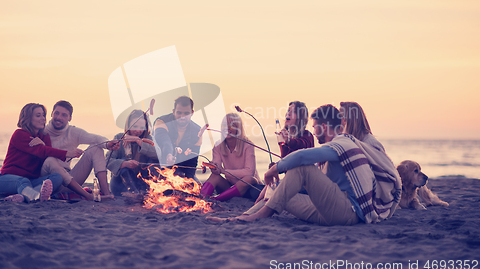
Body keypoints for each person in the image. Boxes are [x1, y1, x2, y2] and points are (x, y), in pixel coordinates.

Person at [209, 104, 400, 225]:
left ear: (324, 127)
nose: (313, 131)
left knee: (302, 167)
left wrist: (275, 168)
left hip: (348, 212)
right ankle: (241, 218)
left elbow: (302, 157)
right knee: (275, 189)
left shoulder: (342, 144)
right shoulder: (334, 148)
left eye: (315, 126)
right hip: (328, 211)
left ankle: (258, 216)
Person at [0, 103, 82, 202]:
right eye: (38, 115)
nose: (43, 118)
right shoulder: (19, 134)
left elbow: (46, 156)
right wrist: (67, 153)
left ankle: (24, 196)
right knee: (22, 181)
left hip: (30, 181)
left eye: (43, 115)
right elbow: (41, 151)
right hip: (6, 180)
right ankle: (35, 196)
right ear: (28, 118)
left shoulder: (44, 137)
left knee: (57, 177)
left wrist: (43, 144)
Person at [40, 100, 116, 200]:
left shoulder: (73, 132)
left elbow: (96, 138)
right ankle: (89, 196)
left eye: (64, 115)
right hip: (46, 183)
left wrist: (107, 144)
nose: (59, 118)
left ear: (70, 118)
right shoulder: (41, 131)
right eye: (56, 113)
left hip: (69, 182)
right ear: (51, 114)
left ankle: (106, 193)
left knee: (96, 147)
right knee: (50, 160)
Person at [200, 113, 261, 201]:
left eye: (232, 125)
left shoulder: (248, 145)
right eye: (225, 125)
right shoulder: (218, 145)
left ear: (238, 129)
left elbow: (249, 172)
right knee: (214, 176)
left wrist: (223, 171)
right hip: (230, 187)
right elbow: (218, 169)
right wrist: (215, 168)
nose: (227, 128)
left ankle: (216, 199)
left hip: (250, 187)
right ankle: (201, 198)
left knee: (249, 179)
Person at [106, 109, 158, 196]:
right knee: (122, 160)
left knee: (153, 161)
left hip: (142, 184)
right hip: (121, 185)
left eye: (141, 128)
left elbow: (158, 155)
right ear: (128, 125)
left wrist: (138, 141)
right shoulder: (119, 137)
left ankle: (147, 192)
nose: (138, 131)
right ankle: (133, 192)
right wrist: (124, 164)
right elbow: (107, 160)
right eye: (135, 126)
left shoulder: (148, 139)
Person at [153, 96, 202, 180]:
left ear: (192, 113)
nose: (182, 116)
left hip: (181, 169)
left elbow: (192, 161)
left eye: (186, 113)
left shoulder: (198, 131)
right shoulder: (161, 122)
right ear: (173, 111)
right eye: (179, 113)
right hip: (158, 166)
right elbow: (164, 141)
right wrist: (168, 154)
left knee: (195, 186)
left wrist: (189, 180)